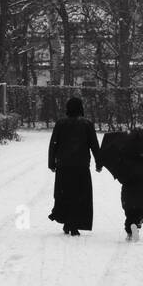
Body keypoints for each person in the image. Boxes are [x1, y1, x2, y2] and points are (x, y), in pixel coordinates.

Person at [47, 96, 102, 235]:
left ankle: (67, 221)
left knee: (64, 194)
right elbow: (94, 145)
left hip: (64, 166)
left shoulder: (60, 123)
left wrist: (51, 163)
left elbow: (53, 144)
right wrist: (99, 162)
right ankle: (74, 223)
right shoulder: (87, 124)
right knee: (80, 195)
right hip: (81, 166)